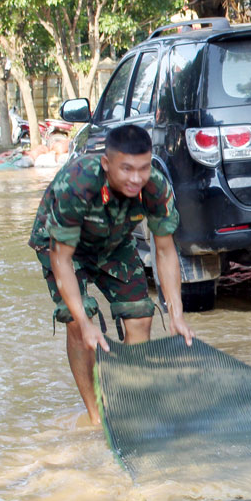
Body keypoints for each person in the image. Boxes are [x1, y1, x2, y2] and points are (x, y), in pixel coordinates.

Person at [28, 124, 194, 424]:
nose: (136, 178)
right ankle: (96, 417)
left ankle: (126, 405)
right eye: (126, 169)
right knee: (77, 321)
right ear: (107, 163)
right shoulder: (78, 184)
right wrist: (84, 322)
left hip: (113, 241)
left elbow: (165, 250)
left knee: (141, 316)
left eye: (143, 168)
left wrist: (176, 314)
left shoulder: (155, 187)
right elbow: (61, 258)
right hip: (63, 245)